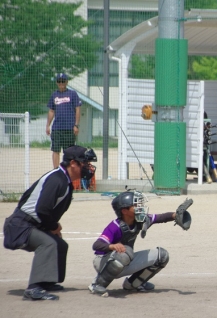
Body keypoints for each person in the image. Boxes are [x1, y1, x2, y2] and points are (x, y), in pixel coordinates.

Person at [2, 146, 97, 300]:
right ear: (73, 163)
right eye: (85, 163)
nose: (88, 167)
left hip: (30, 224)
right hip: (19, 226)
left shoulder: (64, 180)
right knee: (48, 243)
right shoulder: (56, 179)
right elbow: (42, 210)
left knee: (60, 244)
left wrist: (52, 227)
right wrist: (53, 227)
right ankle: (34, 288)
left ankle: (47, 281)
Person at [88, 191, 190, 296]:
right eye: (136, 205)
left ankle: (133, 284)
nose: (140, 207)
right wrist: (112, 246)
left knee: (162, 256)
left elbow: (160, 218)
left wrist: (175, 215)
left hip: (125, 258)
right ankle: (97, 284)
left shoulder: (140, 220)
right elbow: (96, 245)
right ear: (124, 211)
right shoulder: (114, 226)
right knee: (126, 252)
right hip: (103, 262)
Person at [46, 73, 81, 169]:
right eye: (59, 81)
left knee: (69, 151)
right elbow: (51, 111)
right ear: (57, 83)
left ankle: (67, 170)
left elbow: (77, 109)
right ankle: (56, 170)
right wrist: (48, 125)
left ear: (66, 82)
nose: (61, 83)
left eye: (63, 81)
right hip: (57, 128)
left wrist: (76, 125)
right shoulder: (54, 95)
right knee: (56, 150)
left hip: (69, 127)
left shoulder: (72, 94)